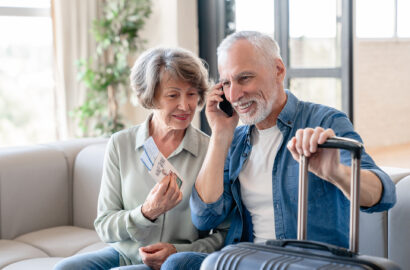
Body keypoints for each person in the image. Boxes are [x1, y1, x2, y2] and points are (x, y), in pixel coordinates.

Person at [162, 31, 397, 269]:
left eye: (244, 78)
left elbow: (384, 195)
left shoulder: (324, 122)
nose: (234, 95)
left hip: (307, 263)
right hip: (248, 259)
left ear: (278, 70)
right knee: (179, 264)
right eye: (226, 83)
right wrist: (220, 135)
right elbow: (205, 217)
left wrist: (336, 171)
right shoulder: (236, 140)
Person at [53, 47, 226, 270]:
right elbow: (104, 225)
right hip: (124, 254)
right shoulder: (121, 143)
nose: (185, 106)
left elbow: (225, 234)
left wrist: (178, 251)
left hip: (175, 262)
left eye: (192, 94)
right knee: (64, 269)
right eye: (173, 95)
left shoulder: (209, 151)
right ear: (150, 97)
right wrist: (145, 213)